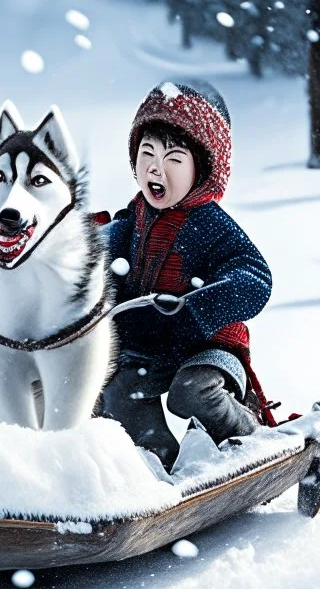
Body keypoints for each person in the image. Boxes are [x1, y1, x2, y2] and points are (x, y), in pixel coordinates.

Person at [102, 80, 272, 470]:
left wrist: (196, 309)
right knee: (121, 387)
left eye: (174, 158)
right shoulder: (132, 221)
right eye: (147, 153)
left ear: (203, 169)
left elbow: (255, 278)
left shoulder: (210, 224)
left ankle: (248, 439)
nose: (155, 168)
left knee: (191, 392)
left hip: (208, 347)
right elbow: (96, 255)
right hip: (151, 347)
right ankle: (159, 464)